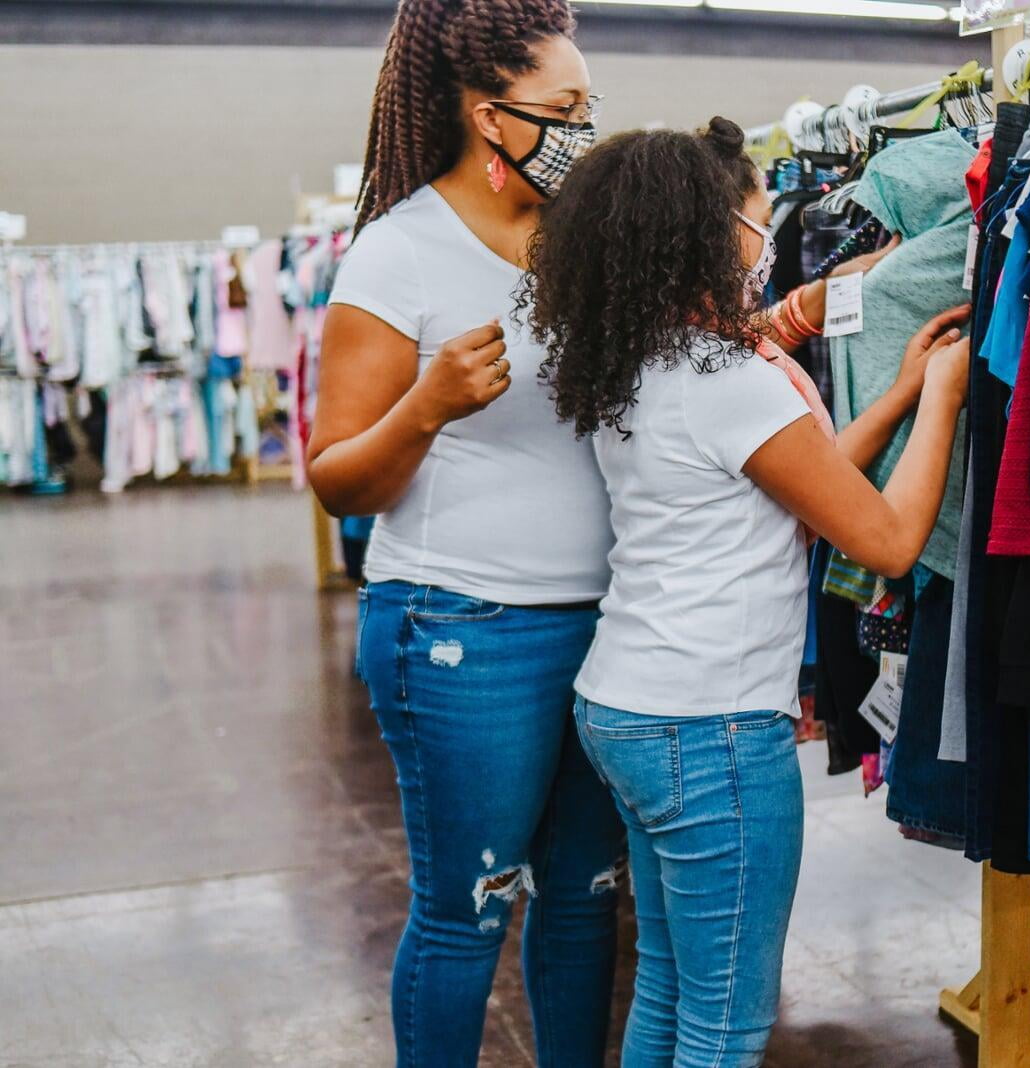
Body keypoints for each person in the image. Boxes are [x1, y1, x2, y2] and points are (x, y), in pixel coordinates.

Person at [520, 116, 970, 1068]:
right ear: (714, 233)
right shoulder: (733, 379)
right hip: (711, 731)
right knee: (725, 1030)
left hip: (629, 706)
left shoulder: (637, 362)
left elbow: (789, 488)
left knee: (669, 990)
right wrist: (943, 400)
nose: (766, 243)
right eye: (758, 222)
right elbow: (887, 540)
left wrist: (892, 392)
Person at [307, 1, 625, 1064]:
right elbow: (337, 479)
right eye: (566, 107)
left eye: (593, 104)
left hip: (612, 627)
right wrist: (425, 406)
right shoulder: (400, 256)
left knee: (584, 905)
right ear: (494, 118)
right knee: (468, 913)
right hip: (462, 628)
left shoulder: (592, 243)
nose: (588, 125)